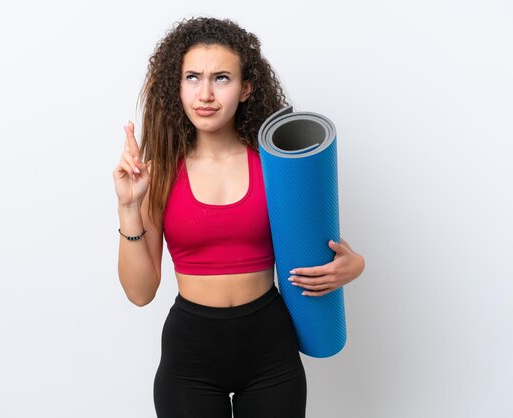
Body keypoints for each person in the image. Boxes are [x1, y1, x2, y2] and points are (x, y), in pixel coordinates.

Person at [112, 17, 365, 418]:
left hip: (270, 350)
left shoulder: (276, 168)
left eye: (222, 78)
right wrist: (128, 207)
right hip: (189, 357)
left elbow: (323, 247)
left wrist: (354, 265)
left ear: (246, 88)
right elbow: (141, 293)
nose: (206, 94)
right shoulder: (158, 173)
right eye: (192, 77)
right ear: (176, 87)